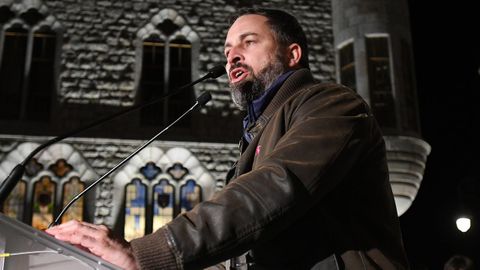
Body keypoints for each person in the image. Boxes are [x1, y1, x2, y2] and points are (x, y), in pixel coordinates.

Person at [46, 8, 409, 269]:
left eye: (248, 43)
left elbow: (278, 187)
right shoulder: (256, 135)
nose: (232, 55)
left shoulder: (332, 104)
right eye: (227, 50)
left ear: (292, 54)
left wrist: (148, 253)